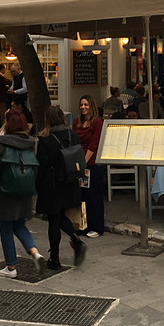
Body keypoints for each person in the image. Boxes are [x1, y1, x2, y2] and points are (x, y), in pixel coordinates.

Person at [0, 109, 46, 278]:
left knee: (6, 229)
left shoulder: (1, 144)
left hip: (4, 193)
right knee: (19, 225)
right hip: (24, 192)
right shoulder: (30, 143)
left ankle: (11, 268)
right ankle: (35, 253)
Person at [36, 105, 87, 270]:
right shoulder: (73, 134)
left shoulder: (45, 138)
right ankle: (75, 239)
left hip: (52, 185)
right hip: (71, 182)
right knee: (60, 217)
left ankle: (55, 258)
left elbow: (41, 166)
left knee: (54, 219)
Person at [73, 95, 104, 238]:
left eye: (86, 105)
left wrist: (84, 162)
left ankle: (96, 226)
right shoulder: (76, 123)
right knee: (81, 196)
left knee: (93, 196)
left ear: (91, 106)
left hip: (91, 164)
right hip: (78, 163)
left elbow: (94, 144)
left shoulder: (97, 123)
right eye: (81, 105)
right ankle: (82, 225)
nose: (83, 107)